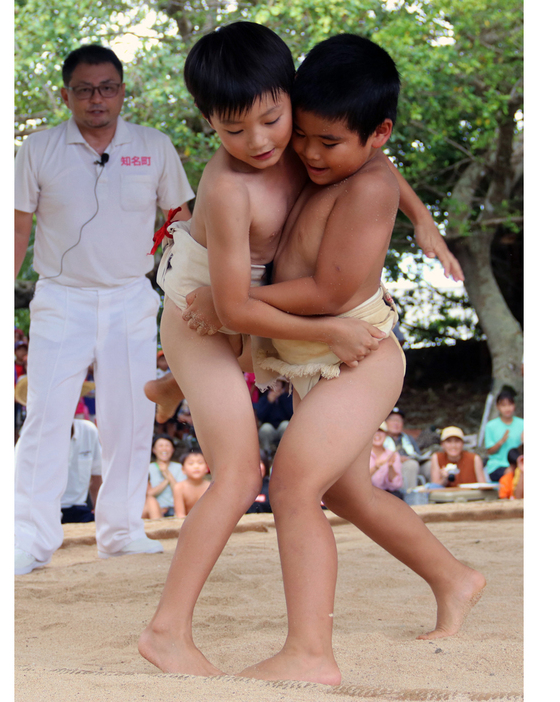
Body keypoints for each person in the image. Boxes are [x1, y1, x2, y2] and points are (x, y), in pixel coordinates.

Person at [138, 22, 464, 678]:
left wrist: (423, 219)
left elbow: (376, 159)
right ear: (209, 124)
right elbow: (229, 306)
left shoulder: (305, 143)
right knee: (239, 475)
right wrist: (336, 332)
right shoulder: (233, 184)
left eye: (271, 119)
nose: (259, 142)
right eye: (235, 130)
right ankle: (166, 631)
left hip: (253, 308)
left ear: (289, 99)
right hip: (204, 312)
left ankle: (451, 578)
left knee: (341, 489)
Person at [13, 43, 195, 575]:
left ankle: (121, 529)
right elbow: (17, 226)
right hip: (61, 296)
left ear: (122, 91)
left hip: (131, 295)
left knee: (132, 415)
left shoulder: (153, 146)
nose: (98, 99)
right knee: (45, 417)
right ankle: (29, 535)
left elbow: (181, 217)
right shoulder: (38, 149)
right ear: (66, 94)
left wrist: (185, 290)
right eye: (86, 89)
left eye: (108, 88)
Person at [60, 418, 104, 523]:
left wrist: (100, 515)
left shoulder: (89, 430)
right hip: (45, 511)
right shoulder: (37, 434)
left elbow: (96, 478)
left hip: (79, 509)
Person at [483, 387, 524, 482]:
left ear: (514, 406)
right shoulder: (491, 426)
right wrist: (501, 441)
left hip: (518, 463)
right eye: (503, 405)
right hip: (498, 465)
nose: (507, 408)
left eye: (510, 404)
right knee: (511, 472)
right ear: (498, 406)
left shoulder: (523, 424)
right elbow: (489, 451)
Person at [382, 407, 427, 490]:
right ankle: (409, 496)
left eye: (399, 421)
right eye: (392, 420)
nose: (396, 423)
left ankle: (436, 496)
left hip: (413, 463)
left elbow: (418, 454)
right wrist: (399, 459)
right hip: (392, 466)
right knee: (411, 465)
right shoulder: (381, 438)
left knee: (429, 465)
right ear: (385, 422)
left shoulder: (408, 438)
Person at [253, 378, 294, 456]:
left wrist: (281, 398)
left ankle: (286, 453)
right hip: (269, 427)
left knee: (285, 425)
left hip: (282, 426)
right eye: (274, 384)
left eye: (278, 385)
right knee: (265, 428)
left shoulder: (287, 397)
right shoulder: (264, 399)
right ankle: (267, 453)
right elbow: (260, 415)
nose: (276, 387)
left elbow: (291, 414)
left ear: (282, 386)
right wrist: (269, 402)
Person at [147, 435, 185, 517]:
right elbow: (149, 494)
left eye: (167, 446)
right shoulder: (149, 468)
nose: (164, 449)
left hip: (176, 510)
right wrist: (166, 480)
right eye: (160, 446)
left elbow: (181, 493)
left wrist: (166, 472)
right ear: (154, 450)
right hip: (156, 510)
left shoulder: (180, 467)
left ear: (172, 450)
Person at [172, 449, 212, 518]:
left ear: (206, 468)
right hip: (186, 524)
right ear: (183, 469)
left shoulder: (211, 486)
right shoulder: (179, 487)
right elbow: (180, 514)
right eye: (191, 463)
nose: (196, 466)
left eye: (200, 462)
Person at [369, 423, 403, 498]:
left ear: (386, 434)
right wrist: (375, 468)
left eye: (381, 431)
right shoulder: (362, 456)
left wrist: (390, 467)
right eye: (374, 431)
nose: (377, 434)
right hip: (367, 494)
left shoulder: (393, 454)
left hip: (387, 493)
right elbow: (359, 483)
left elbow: (396, 485)